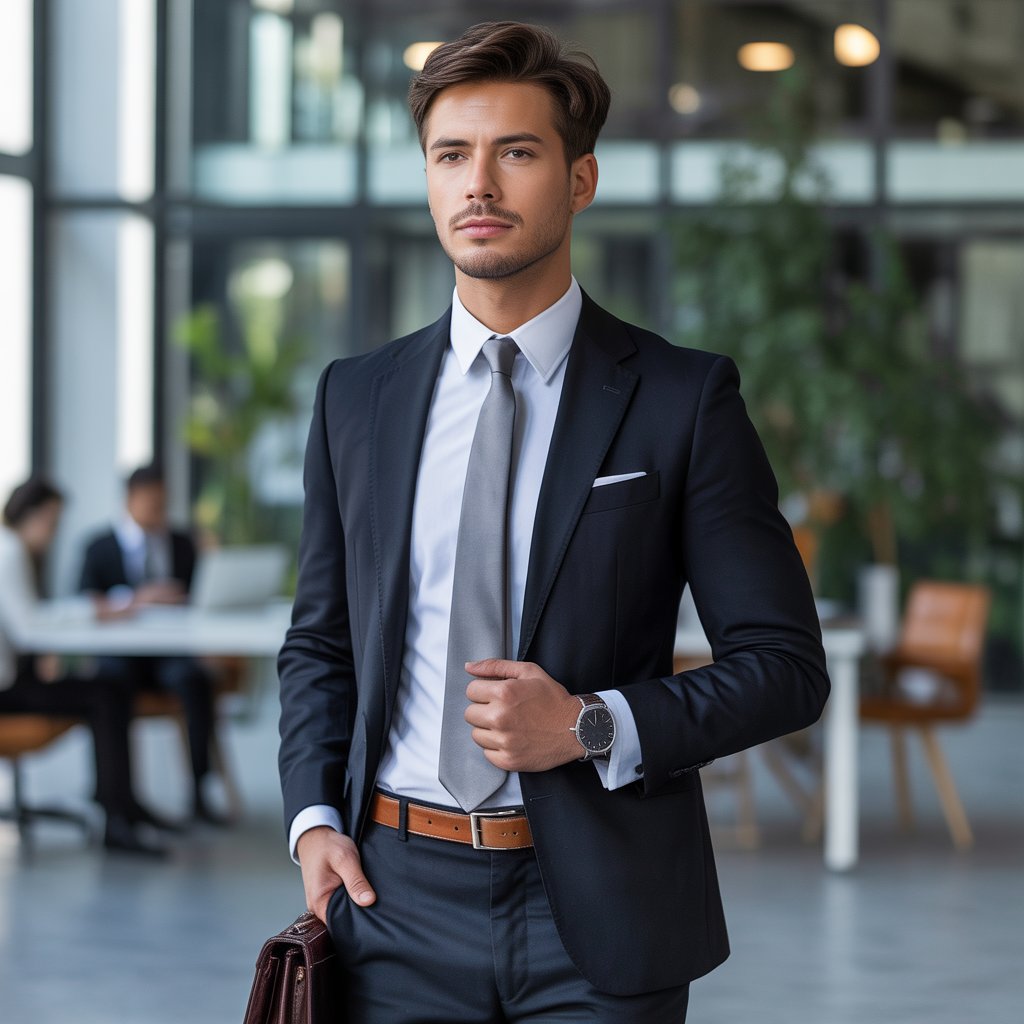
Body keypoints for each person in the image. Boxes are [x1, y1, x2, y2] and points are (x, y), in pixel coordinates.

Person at [279, 21, 829, 1023]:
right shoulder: (354, 399)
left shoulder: (680, 398)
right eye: (451, 155)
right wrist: (314, 820)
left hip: (603, 909)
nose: (478, 184)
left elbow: (784, 668)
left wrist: (585, 725)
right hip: (389, 904)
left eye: (515, 152)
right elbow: (321, 639)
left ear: (580, 180)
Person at [0, 477, 168, 856]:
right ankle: (118, 816)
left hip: (12, 680)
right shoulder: (9, 552)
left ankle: (119, 802)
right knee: (106, 694)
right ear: (32, 516)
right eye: (52, 521)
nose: (54, 532)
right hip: (7, 690)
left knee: (109, 689)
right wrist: (93, 611)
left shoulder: (9, 549)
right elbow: (28, 629)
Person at [78, 465, 223, 824]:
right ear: (130, 500)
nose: (159, 511)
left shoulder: (182, 542)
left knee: (196, 680)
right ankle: (117, 797)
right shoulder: (98, 546)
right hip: (120, 656)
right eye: (151, 502)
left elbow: (204, 595)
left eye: (163, 503)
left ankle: (199, 790)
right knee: (107, 687)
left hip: (168, 656)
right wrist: (138, 601)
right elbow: (83, 604)